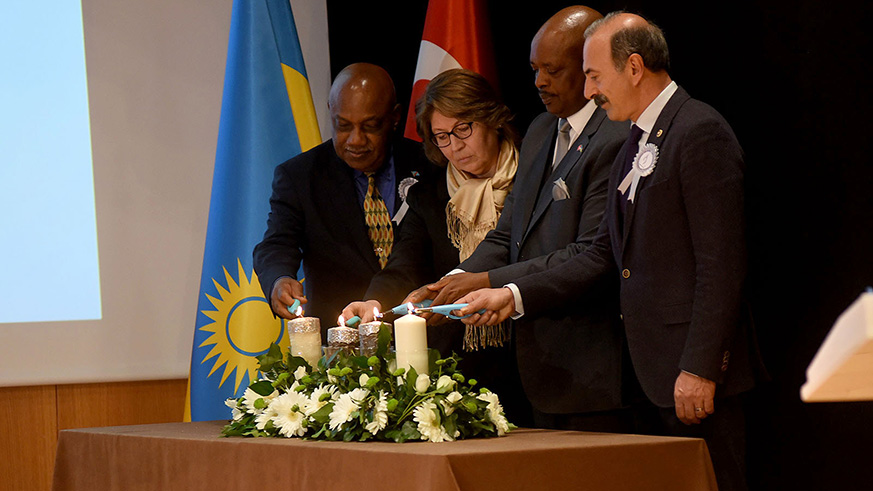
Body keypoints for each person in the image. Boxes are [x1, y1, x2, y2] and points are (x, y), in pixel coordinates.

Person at [456, 12, 766, 490]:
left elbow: (721, 266)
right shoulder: (637, 136)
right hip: (652, 378)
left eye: (596, 76)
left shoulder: (699, 130)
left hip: (693, 378)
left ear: (635, 67)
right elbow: (602, 252)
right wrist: (511, 295)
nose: (588, 91)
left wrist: (700, 368)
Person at [405, 6, 631, 432]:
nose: (539, 82)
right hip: (541, 372)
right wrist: (451, 283)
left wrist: (488, 283)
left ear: (587, 68)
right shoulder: (543, 129)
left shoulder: (616, 135)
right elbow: (508, 232)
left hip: (596, 369)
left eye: (552, 69)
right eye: (534, 69)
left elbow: (590, 253)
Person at [340, 68, 520, 414]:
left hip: (530, 359)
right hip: (460, 370)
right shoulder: (429, 195)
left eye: (463, 129)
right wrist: (374, 301)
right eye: (441, 136)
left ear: (491, 119)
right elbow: (404, 265)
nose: (455, 146)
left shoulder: (533, 178)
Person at [253, 63, 435, 330]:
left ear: (395, 117)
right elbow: (276, 244)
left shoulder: (431, 165)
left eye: (370, 126)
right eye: (343, 125)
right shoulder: (300, 176)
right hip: (343, 347)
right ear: (331, 113)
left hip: (427, 336)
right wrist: (279, 279)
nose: (355, 140)